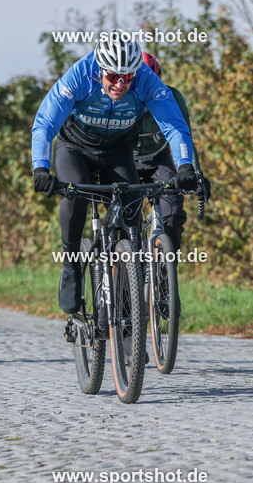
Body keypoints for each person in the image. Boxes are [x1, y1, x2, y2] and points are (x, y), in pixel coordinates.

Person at [31, 32, 198, 314]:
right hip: (75, 147)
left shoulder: (145, 78)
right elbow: (46, 122)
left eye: (128, 78)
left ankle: (126, 313)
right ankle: (71, 264)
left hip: (118, 150)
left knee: (130, 216)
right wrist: (41, 167)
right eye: (112, 77)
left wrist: (184, 166)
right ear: (99, 70)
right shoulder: (80, 75)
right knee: (76, 193)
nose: (120, 85)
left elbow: (174, 125)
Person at [133, 52, 209, 251]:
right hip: (125, 160)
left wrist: (194, 174)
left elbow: (185, 139)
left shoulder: (172, 97)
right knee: (125, 221)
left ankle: (165, 274)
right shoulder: (120, 96)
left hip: (158, 159)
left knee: (173, 215)